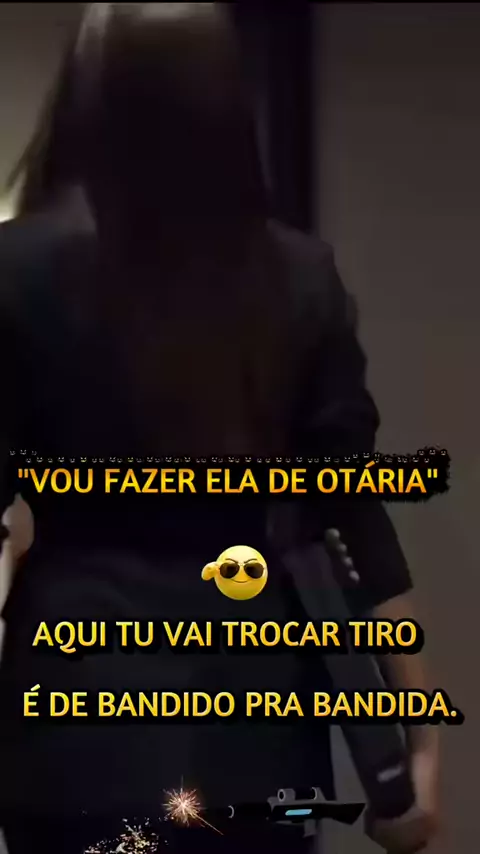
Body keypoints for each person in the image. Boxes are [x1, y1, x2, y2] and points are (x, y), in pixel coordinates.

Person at [0, 4, 438, 854]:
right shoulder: (298, 280)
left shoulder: (16, 274)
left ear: (86, 93)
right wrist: (417, 741)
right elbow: (355, 519)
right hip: (255, 722)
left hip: (73, 726)